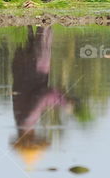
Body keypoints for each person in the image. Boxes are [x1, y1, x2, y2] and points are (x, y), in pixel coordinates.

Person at [11, 26, 71, 170]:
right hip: (25, 66)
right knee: (40, 28)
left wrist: (64, 101)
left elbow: (43, 96)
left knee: (44, 26)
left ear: (30, 140)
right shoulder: (22, 120)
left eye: (36, 140)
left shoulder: (27, 120)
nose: (38, 137)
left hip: (35, 66)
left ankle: (44, 12)